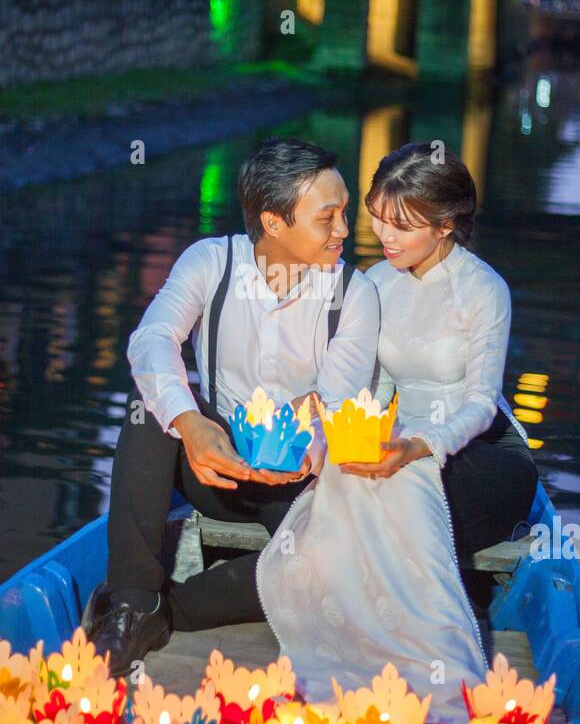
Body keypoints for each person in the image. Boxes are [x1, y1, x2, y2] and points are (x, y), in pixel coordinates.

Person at [256, 143, 539, 722]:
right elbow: (366, 389)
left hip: (480, 449)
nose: (385, 235)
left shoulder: (484, 291)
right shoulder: (375, 282)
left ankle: (430, 658)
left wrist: (421, 447)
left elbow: (483, 402)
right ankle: (354, 642)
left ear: (446, 225)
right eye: (378, 218)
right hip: (396, 432)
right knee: (343, 482)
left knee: (404, 485)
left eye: (403, 225)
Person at [83, 137, 380, 677]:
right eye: (328, 217)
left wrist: (303, 452)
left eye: (345, 214)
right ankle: (133, 599)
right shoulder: (210, 262)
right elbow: (151, 341)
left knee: (334, 566)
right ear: (273, 222)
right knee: (149, 404)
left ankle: (172, 609)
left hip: (295, 478)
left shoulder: (354, 295)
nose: (343, 230)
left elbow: (336, 403)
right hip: (212, 467)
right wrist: (190, 423)